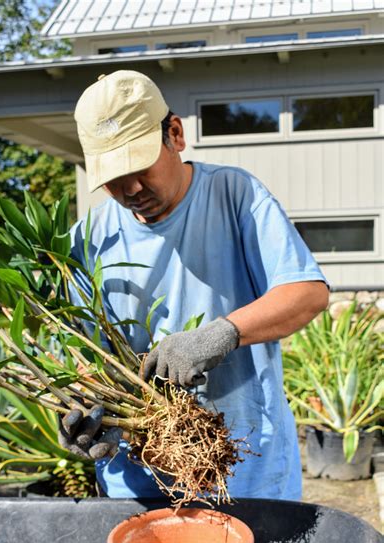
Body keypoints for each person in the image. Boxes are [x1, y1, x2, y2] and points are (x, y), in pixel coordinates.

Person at [58, 69, 329, 500]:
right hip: (137, 484)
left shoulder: (234, 194)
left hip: (243, 468)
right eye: (112, 177)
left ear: (176, 134)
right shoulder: (85, 237)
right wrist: (78, 415)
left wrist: (221, 335)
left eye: (139, 165)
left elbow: (307, 293)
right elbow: (79, 356)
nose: (130, 188)